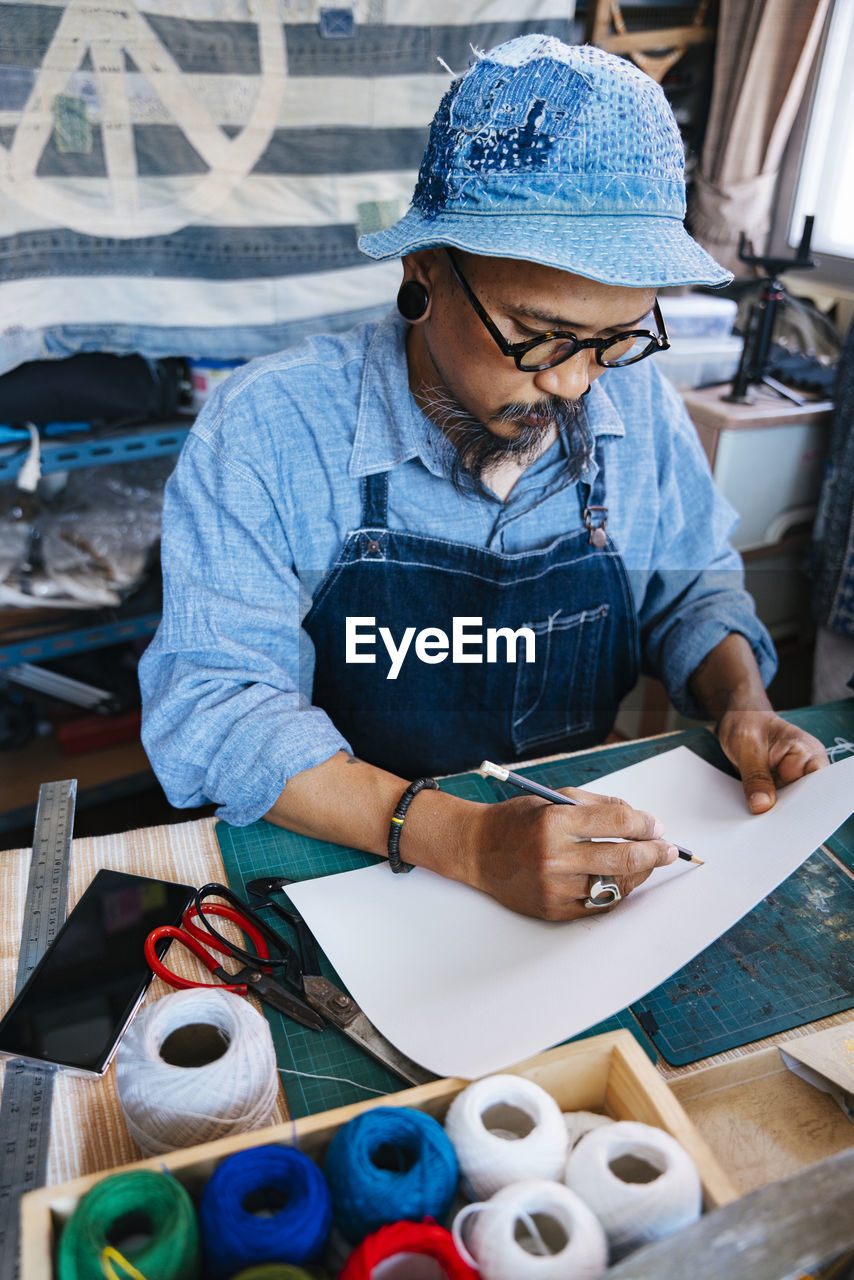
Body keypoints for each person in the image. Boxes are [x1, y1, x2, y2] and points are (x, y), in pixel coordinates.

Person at [140, 35, 827, 921]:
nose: (576, 383)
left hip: (581, 855)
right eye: (538, 337)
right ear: (422, 272)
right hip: (350, 863)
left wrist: (742, 700)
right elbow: (220, 705)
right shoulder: (269, 428)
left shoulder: (637, 405)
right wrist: (463, 840)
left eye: (616, 340)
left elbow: (691, 584)